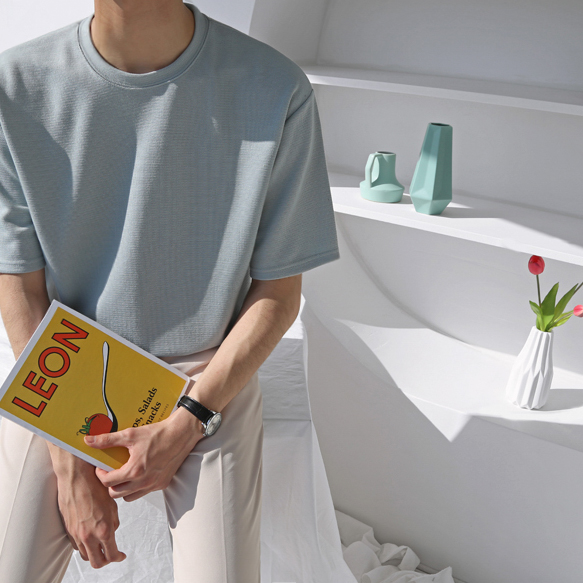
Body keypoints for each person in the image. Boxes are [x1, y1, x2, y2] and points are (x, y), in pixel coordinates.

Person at [0, 1, 340, 582]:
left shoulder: (275, 88)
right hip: (67, 365)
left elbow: (279, 295)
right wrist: (68, 457)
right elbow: (18, 288)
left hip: (205, 373)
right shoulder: (16, 85)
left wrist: (191, 419)